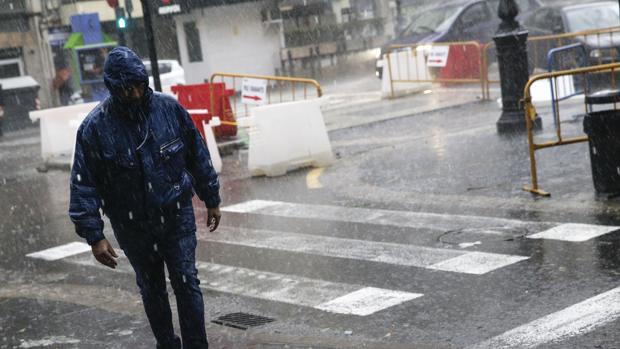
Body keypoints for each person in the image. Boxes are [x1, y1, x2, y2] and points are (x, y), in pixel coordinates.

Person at [69, 46, 221, 349]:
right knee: (151, 289)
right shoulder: (95, 128)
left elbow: (197, 155)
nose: (135, 94)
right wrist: (94, 236)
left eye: (138, 86)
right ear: (113, 89)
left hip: (176, 214)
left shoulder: (169, 110)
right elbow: (84, 185)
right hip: (133, 225)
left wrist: (211, 197)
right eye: (126, 90)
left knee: (187, 281)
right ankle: (167, 344)